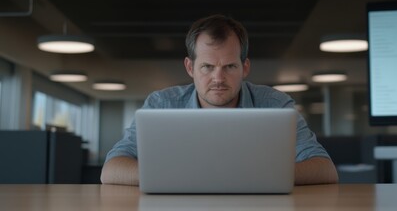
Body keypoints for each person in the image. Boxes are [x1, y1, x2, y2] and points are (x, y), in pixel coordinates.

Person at [101, 14, 338, 186]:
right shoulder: (160, 104)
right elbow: (111, 170)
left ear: (245, 67)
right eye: (207, 67)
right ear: (189, 67)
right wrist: (177, 176)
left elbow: (325, 169)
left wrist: (255, 177)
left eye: (230, 66)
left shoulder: (275, 104)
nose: (218, 78)